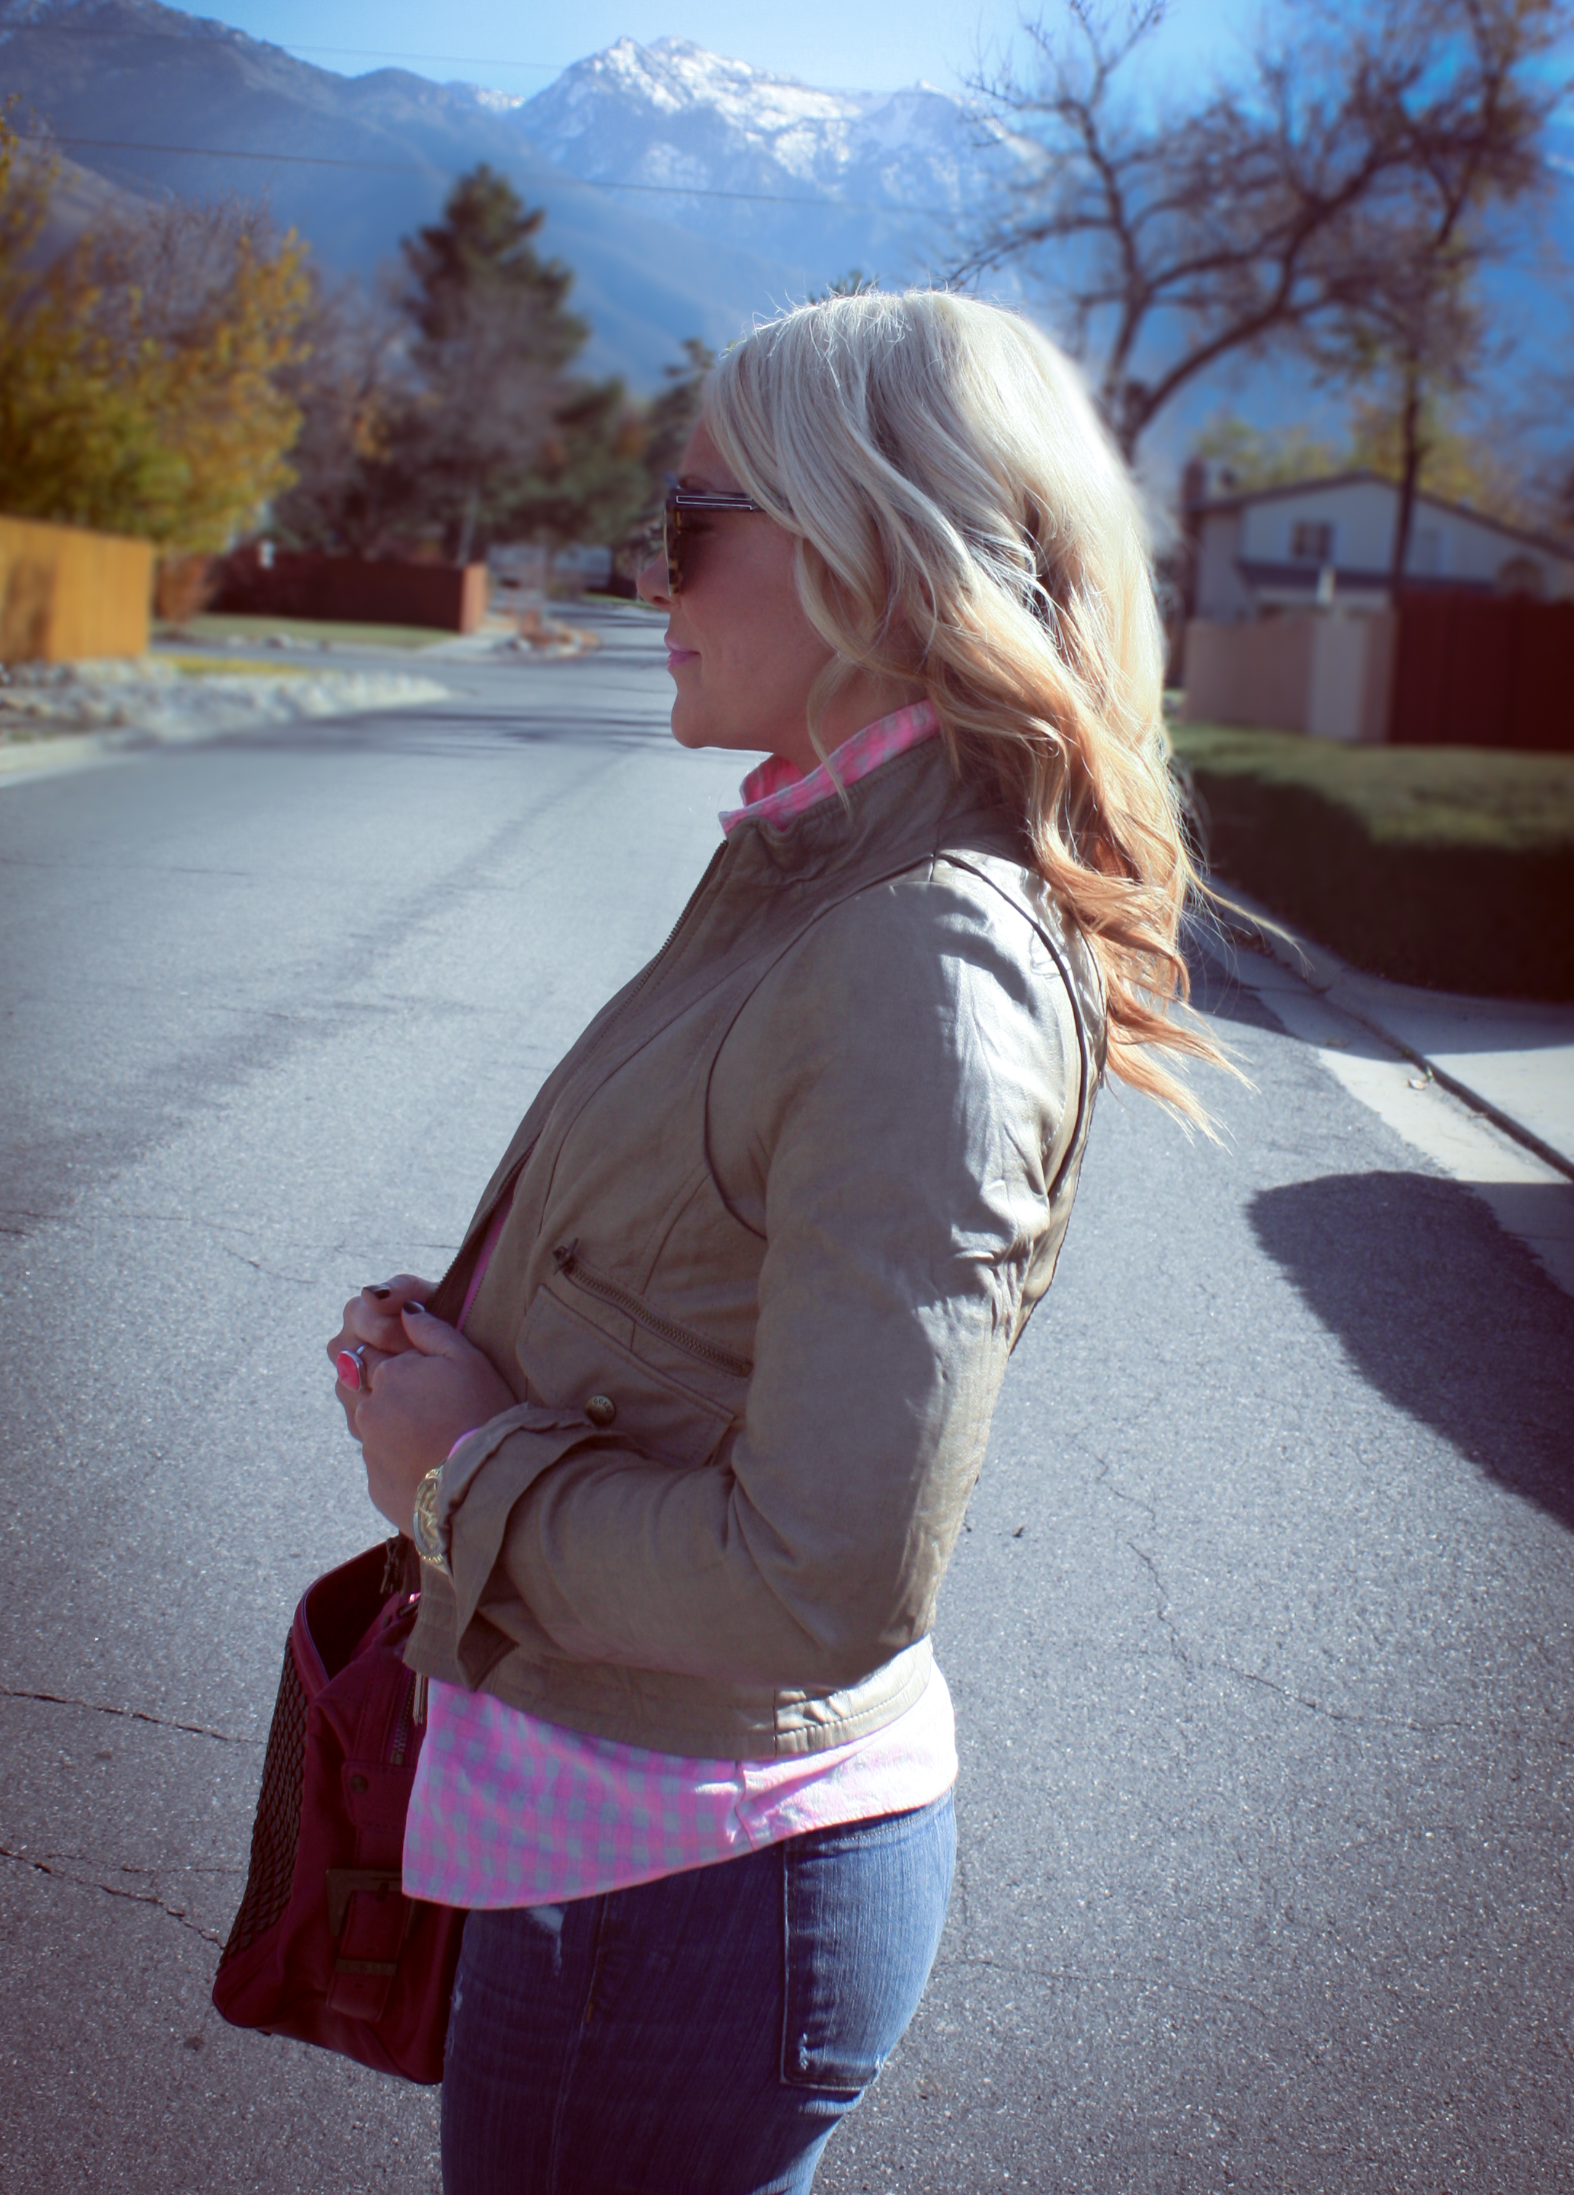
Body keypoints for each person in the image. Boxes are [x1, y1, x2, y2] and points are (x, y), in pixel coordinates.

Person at [329, 289, 1222, 2195]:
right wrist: (483, 1342)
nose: (648, 568)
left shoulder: (921, 952)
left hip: (681, 1890)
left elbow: (824, 1583)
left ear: (870, 550)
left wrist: (466, 1471)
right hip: (642, 1852)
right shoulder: (811, 867)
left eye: (688, 518)